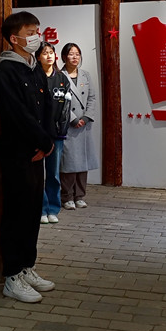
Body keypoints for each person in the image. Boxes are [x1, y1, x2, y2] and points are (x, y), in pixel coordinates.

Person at [0, 11, 55, 303]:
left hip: (38, 151)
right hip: (18, 151)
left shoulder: (34, 66)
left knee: (32, 211)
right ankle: (12, 275)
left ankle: (27, 265)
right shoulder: (6, 71)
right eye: (30, 32)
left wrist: (48, 141)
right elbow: (16, 114)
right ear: (14, 38)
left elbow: (46, 107)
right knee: (16, 213)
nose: (36, 37)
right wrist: (42, 140)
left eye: (37, 31)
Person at [59, 42, 98, 210]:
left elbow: (92, 98)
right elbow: (59, 101)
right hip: (69, 125)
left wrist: (87, 117)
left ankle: (80, 196)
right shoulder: (59, 76)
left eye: (77, 54)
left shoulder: (85, 75)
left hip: (84, 125)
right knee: (69, 163)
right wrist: (74, 119)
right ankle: (67, 196)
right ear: (64, 57)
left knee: (83, 162)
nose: (75, 57)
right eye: (71, 54)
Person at [36, 42, 71, 224]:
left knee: (53, 173)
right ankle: (41, 209)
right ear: (38, 57)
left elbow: (66, 108)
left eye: (51, 52)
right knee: (38, 173)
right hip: (38, 133)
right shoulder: (34, 77)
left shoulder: (62, 78)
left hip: (56, 134)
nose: (49, 56)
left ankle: (53, 208)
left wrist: (61, 129)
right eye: (45, 53)